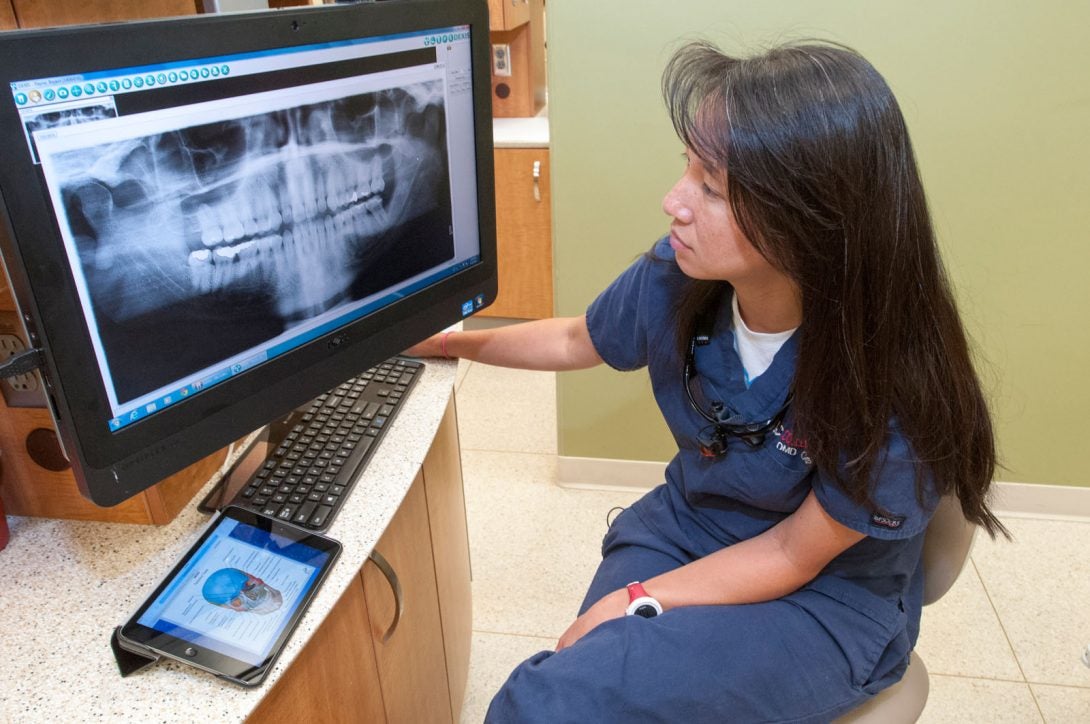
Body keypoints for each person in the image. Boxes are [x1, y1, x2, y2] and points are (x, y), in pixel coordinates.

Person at [408, 39, 1007, 723]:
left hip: (823, 597)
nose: (674, 201)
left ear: (811, 219)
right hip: (688, 528)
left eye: (711, 187)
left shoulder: (891, 379)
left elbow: (790, 552)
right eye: (685, 169)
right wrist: (454, 343)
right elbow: (579, 338)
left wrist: (636, 600)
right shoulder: (680, 277)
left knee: (546, 703)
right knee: (582, 687)